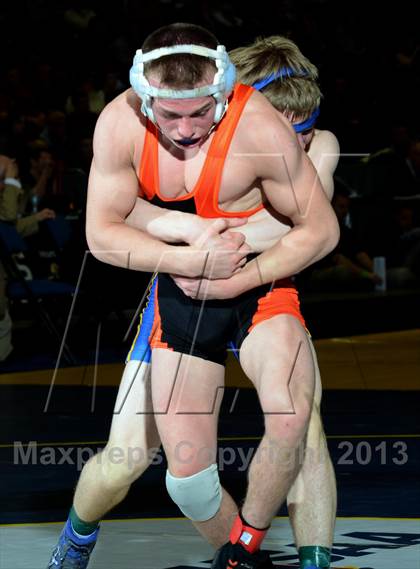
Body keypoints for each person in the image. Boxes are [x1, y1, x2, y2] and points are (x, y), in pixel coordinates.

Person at [47, 24, 339, 569]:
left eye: (304, 129)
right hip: (181, 292)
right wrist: (188, 244)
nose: (186, 130)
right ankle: (79, 532)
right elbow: (109, 224)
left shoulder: (303, 143)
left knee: (302, 422)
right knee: (131, 457)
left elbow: (302, 228)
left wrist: (218, 256)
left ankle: (301, 559)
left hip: (259, 283)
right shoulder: (134, 123)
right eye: (172, 114)